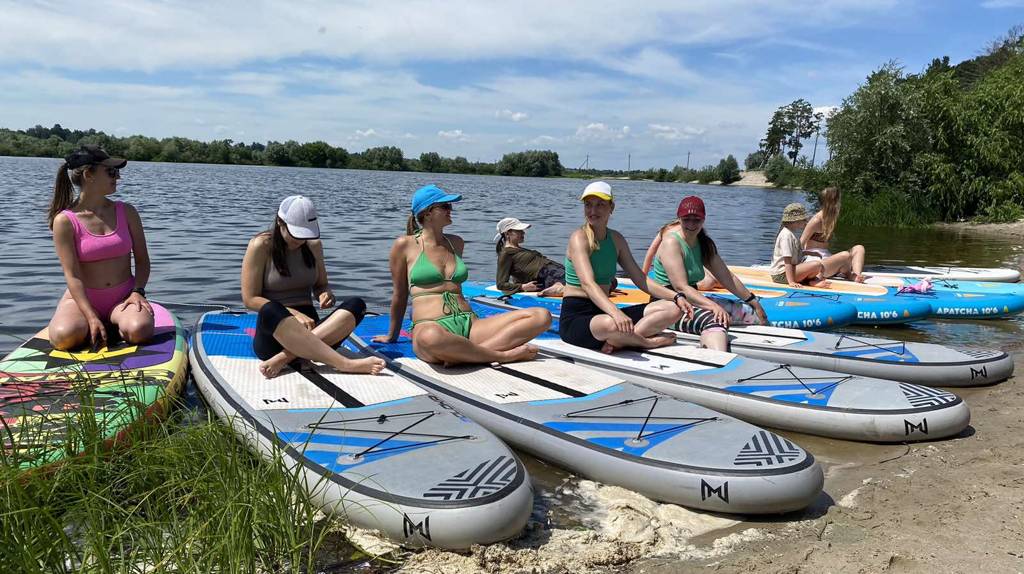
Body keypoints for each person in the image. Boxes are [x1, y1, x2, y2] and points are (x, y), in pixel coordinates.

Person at [372, 185, 551, 365]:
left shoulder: (456, 242)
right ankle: (502, 355)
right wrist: (392, 336)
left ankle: (463, 355)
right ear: (427, 213)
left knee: (541, 316)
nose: (451, 210)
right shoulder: (405, 245)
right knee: (430, 337)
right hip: (431, 325)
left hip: (470, 324)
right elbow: (400, 294)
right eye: (445, 206)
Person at [241, 195, 384, 378]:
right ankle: (345, 364)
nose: (300, 241)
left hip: (315, 333)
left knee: (357, 305)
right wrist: (294, 314)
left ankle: (285, 358)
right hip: (275, 332)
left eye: (305, 235)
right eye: (295, 234)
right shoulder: (261, 245)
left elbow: (321, 285)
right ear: (280, 222)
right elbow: (250, 299)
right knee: (271, 309)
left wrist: (324, 294)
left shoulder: (313, 245)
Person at [560, 181, 693, 354]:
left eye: (600, 205)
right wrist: (616, 313)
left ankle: (621, 340)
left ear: (611, 208)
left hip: (604, 310)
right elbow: (588, 284)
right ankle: (645, 343)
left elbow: (640, 278)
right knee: (610, 324)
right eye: (588, 205)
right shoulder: (579, 238)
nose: (593, 211)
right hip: (577, 317)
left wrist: (676, 296)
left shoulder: (616, 239)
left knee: (673, 309)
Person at [47, 145, 153, 351]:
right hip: (82, 300)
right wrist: (90, 315)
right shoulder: (65, 221)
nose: (118, 177)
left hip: (124, 296)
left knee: (140, 331)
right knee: (63, 338)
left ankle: (119, 322)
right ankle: (90, 324)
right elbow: (73, 276)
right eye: (111, 172)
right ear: (89, 175)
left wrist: (138, 291)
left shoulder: (127, 212)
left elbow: (142, 260)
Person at [643, 196, 768, 351]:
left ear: (703, 219)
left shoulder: (704, 243)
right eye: (686, 219)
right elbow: (681, 287)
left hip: (693, 301)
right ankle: (716, 361)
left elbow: (727, 277)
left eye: (696, 219)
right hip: (669, 307)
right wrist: (713, 306)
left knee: (751, 313)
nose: (691, 224)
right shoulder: (671, 242)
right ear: (679, 218)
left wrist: (753, 301)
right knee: (716, 319)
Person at [770, 203, 855, 288]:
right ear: (794, 221)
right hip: (781, 275)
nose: (805, 222)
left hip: (788, 271)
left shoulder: (791, 234)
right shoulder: (786, 236)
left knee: (819, 266)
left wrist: (810, 253)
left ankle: (812, 281)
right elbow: (787, 260)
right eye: (803, 220)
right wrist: (791, 282)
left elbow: (793, 255)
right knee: (816, 265)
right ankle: (813, 282)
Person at [801, 187, 866, 282]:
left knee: (859, 248)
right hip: (816, 262)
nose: (839, 203)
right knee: (845, 255)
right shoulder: (816, 220)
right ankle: (848, 274)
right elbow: (800, 243)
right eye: (837, 200)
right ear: (831, 202)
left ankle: (856, 276)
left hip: (828, 259)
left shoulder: (831, 218)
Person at [493, 217, 565, 296]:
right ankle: (558, 288)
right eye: (519, 231)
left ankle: (559, 287)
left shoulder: (519, 250)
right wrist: (523, 287)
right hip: (548, 276)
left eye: (522, 231)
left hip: (556, 273)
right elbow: (501, 284)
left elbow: (520, 270)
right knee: (575, 285)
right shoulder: (506, 253)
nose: (523, 233)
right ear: (507, 233)